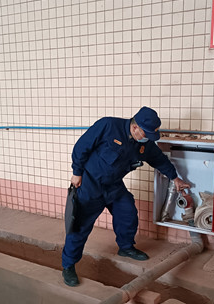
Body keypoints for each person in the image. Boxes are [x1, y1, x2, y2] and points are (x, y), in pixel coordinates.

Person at [62, 107, 190, 287]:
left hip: (114, 185)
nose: (147, 139)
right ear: (135, 127)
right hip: (91, 184)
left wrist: (174, 178)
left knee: (127, 212)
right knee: (80, 226)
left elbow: (158, 159)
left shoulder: (144, 143)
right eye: (146, 134)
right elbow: (82, 146)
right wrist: (77, 172)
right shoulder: (108, 125)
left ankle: (126, 247)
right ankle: (68, 265)